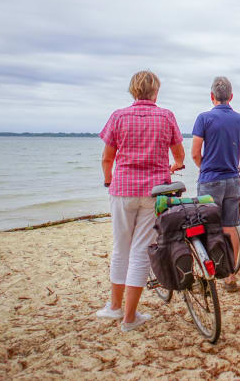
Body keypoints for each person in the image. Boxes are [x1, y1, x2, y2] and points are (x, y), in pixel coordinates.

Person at [96, 70, 185, 331]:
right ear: (155, 92)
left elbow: (107, 158)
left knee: (120, 247)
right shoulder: (166, 116)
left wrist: (108, 180)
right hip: (155, 192)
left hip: (122, 189)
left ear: (133, 91)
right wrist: (174, 166)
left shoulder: (118, 116)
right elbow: (179, 154)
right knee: (140, 250)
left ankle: (114, 307)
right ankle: (129, 317)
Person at [192, 76, 240, 292]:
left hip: (210, 180)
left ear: (212, 97)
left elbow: (195, 153)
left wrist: (204, 167)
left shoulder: (204, 118)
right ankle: (230, 276)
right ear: (231, 96)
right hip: (232, 179)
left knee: (205, 228)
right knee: (230, 227)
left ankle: (206, 276)